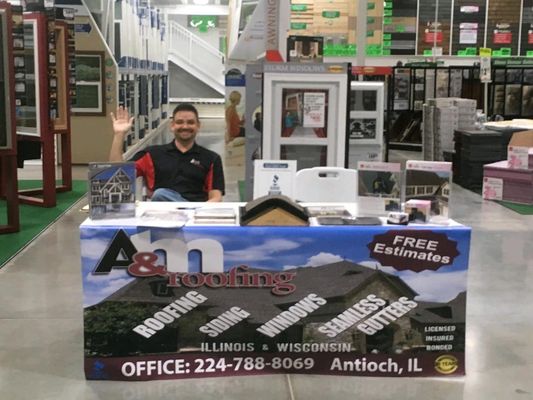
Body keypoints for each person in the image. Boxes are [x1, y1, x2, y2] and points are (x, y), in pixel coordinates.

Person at [109, 103, 224, 202]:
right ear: (172, 126)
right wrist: (119, 135)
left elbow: (216, 197)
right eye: (179, 122)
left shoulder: (211, 159)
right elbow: (118, 176)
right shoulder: (151, 154)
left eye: (190, 122)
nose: (185, 126)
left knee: (160, 194)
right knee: (160, 195)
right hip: (160, 215)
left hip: (194, 217)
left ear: (198, 126)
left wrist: (197, 212)